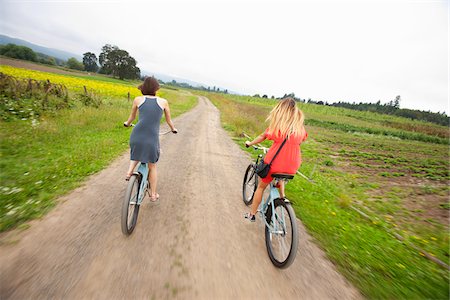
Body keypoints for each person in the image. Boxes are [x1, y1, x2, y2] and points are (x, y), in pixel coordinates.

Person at [244, 98, 307, 221]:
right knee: (281, 176)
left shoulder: (278, 128)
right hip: (292, 167)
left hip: (274, 165)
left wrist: (250, 143)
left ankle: (252, 214)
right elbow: (300, 140)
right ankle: (282, 197)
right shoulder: (300, 130)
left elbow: (262, 137)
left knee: (261, 187)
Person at [124, 76, 177, 201]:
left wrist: (127, 123)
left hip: (137, 134)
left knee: (136, 152)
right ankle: (153, 195)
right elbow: (169, 121)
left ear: (143, 87)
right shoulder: (163, 102)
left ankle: (129, 172)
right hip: (152, 137)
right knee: (152, 166)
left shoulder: (138, 100)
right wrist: (173, 129)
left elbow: (131, 118)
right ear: (156, 88)